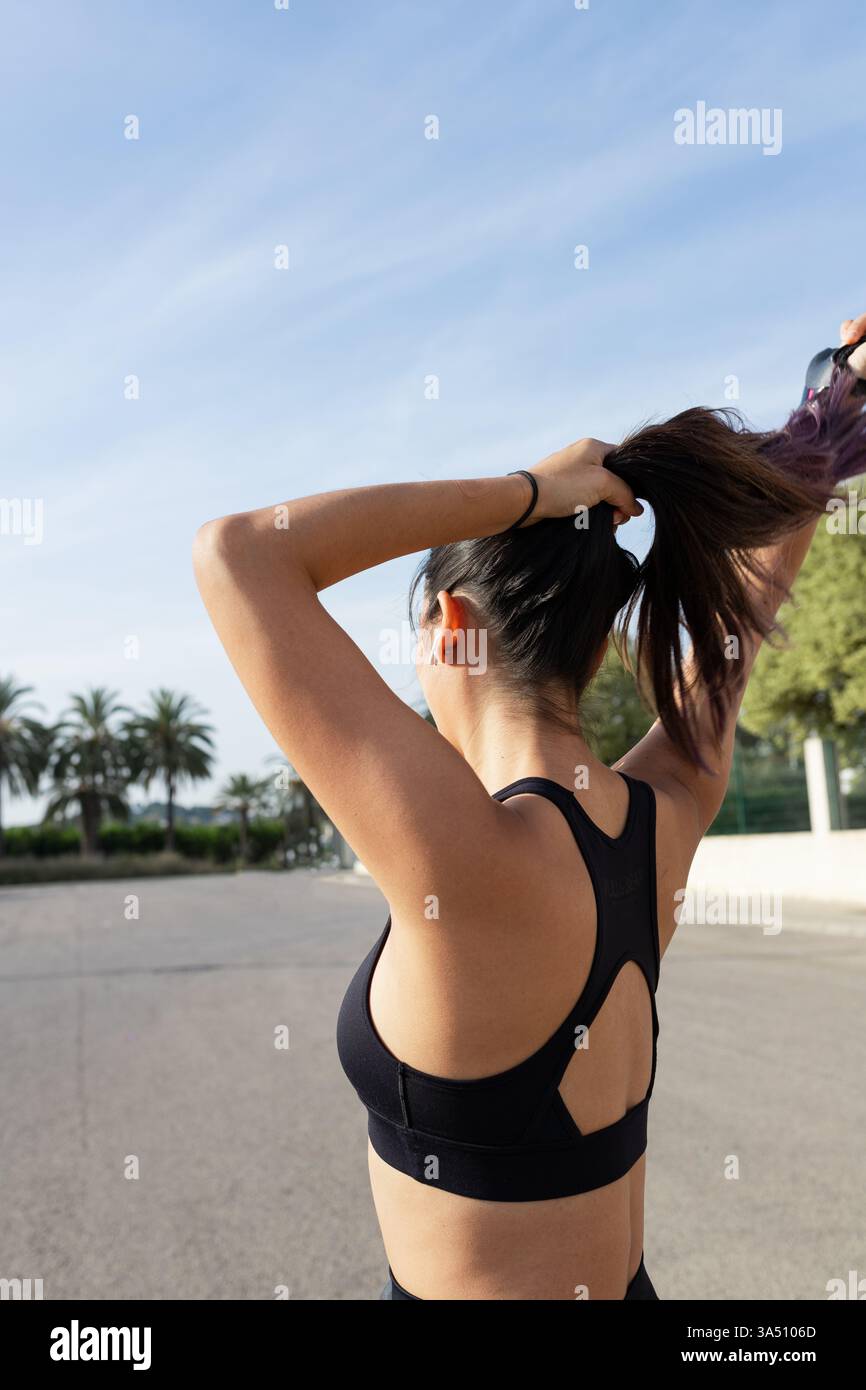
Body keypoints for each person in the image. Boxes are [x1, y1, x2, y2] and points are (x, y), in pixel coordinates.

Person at [193, 313, 866, 1301]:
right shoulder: (662, 812)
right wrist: (835, 401)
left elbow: (238, 555)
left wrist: (530, 496)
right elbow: (744, 610)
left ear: (450, 625)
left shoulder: (464, 860)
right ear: (596, 650)